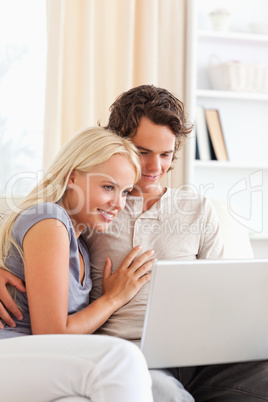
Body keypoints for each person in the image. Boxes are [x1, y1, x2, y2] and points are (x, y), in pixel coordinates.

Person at [1, 85, 268, 402]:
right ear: (118, 144)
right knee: (159, 389)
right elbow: (31, 229)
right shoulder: (89, 210)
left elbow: (225, 296)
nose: (155, 167)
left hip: (196, 355)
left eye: (166, 154)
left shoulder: (195, 210)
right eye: (143, 152)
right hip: (128, 354)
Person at [0, 126, 154, 402]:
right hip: (12, 351)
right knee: (120, 358)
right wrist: (113, 299)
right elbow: (53, 335)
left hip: (35, 362)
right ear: (72, 177)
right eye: (108, 187)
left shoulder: (80, 245)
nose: (118, 203)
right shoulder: (50, 219)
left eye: (125, 192)